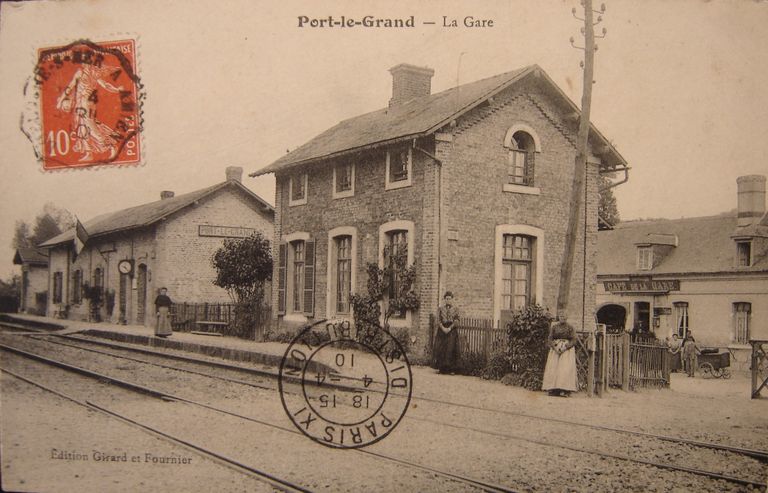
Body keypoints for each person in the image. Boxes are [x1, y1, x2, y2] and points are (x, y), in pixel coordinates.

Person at [542, 312, 578, 397]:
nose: (562, 318)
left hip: (566, 350)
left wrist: (566, 347)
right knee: (553, 368)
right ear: (558, 317)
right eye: (561, 316)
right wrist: (555, 347)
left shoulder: (570, 327)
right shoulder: (554, 327)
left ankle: (565, 390)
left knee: (564, 369)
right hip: (556, 350)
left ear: (567, 317)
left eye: (564, 316)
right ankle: (553, 389)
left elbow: (574, 340)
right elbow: (550, 338)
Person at [433, 291, 460, 374]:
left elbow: (457, 320)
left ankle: (452, 369)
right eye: (446, 298)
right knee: (441, 348)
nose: (448, 300)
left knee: (451, 348)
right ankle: (442, 368)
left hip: (452, 330)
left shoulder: (456, 309)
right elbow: (438, 320)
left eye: (449, 298)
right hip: (442, 330)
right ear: (444, 299)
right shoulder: (440, 309)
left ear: (452, 299)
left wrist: (450, 328)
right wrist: (443, 328)